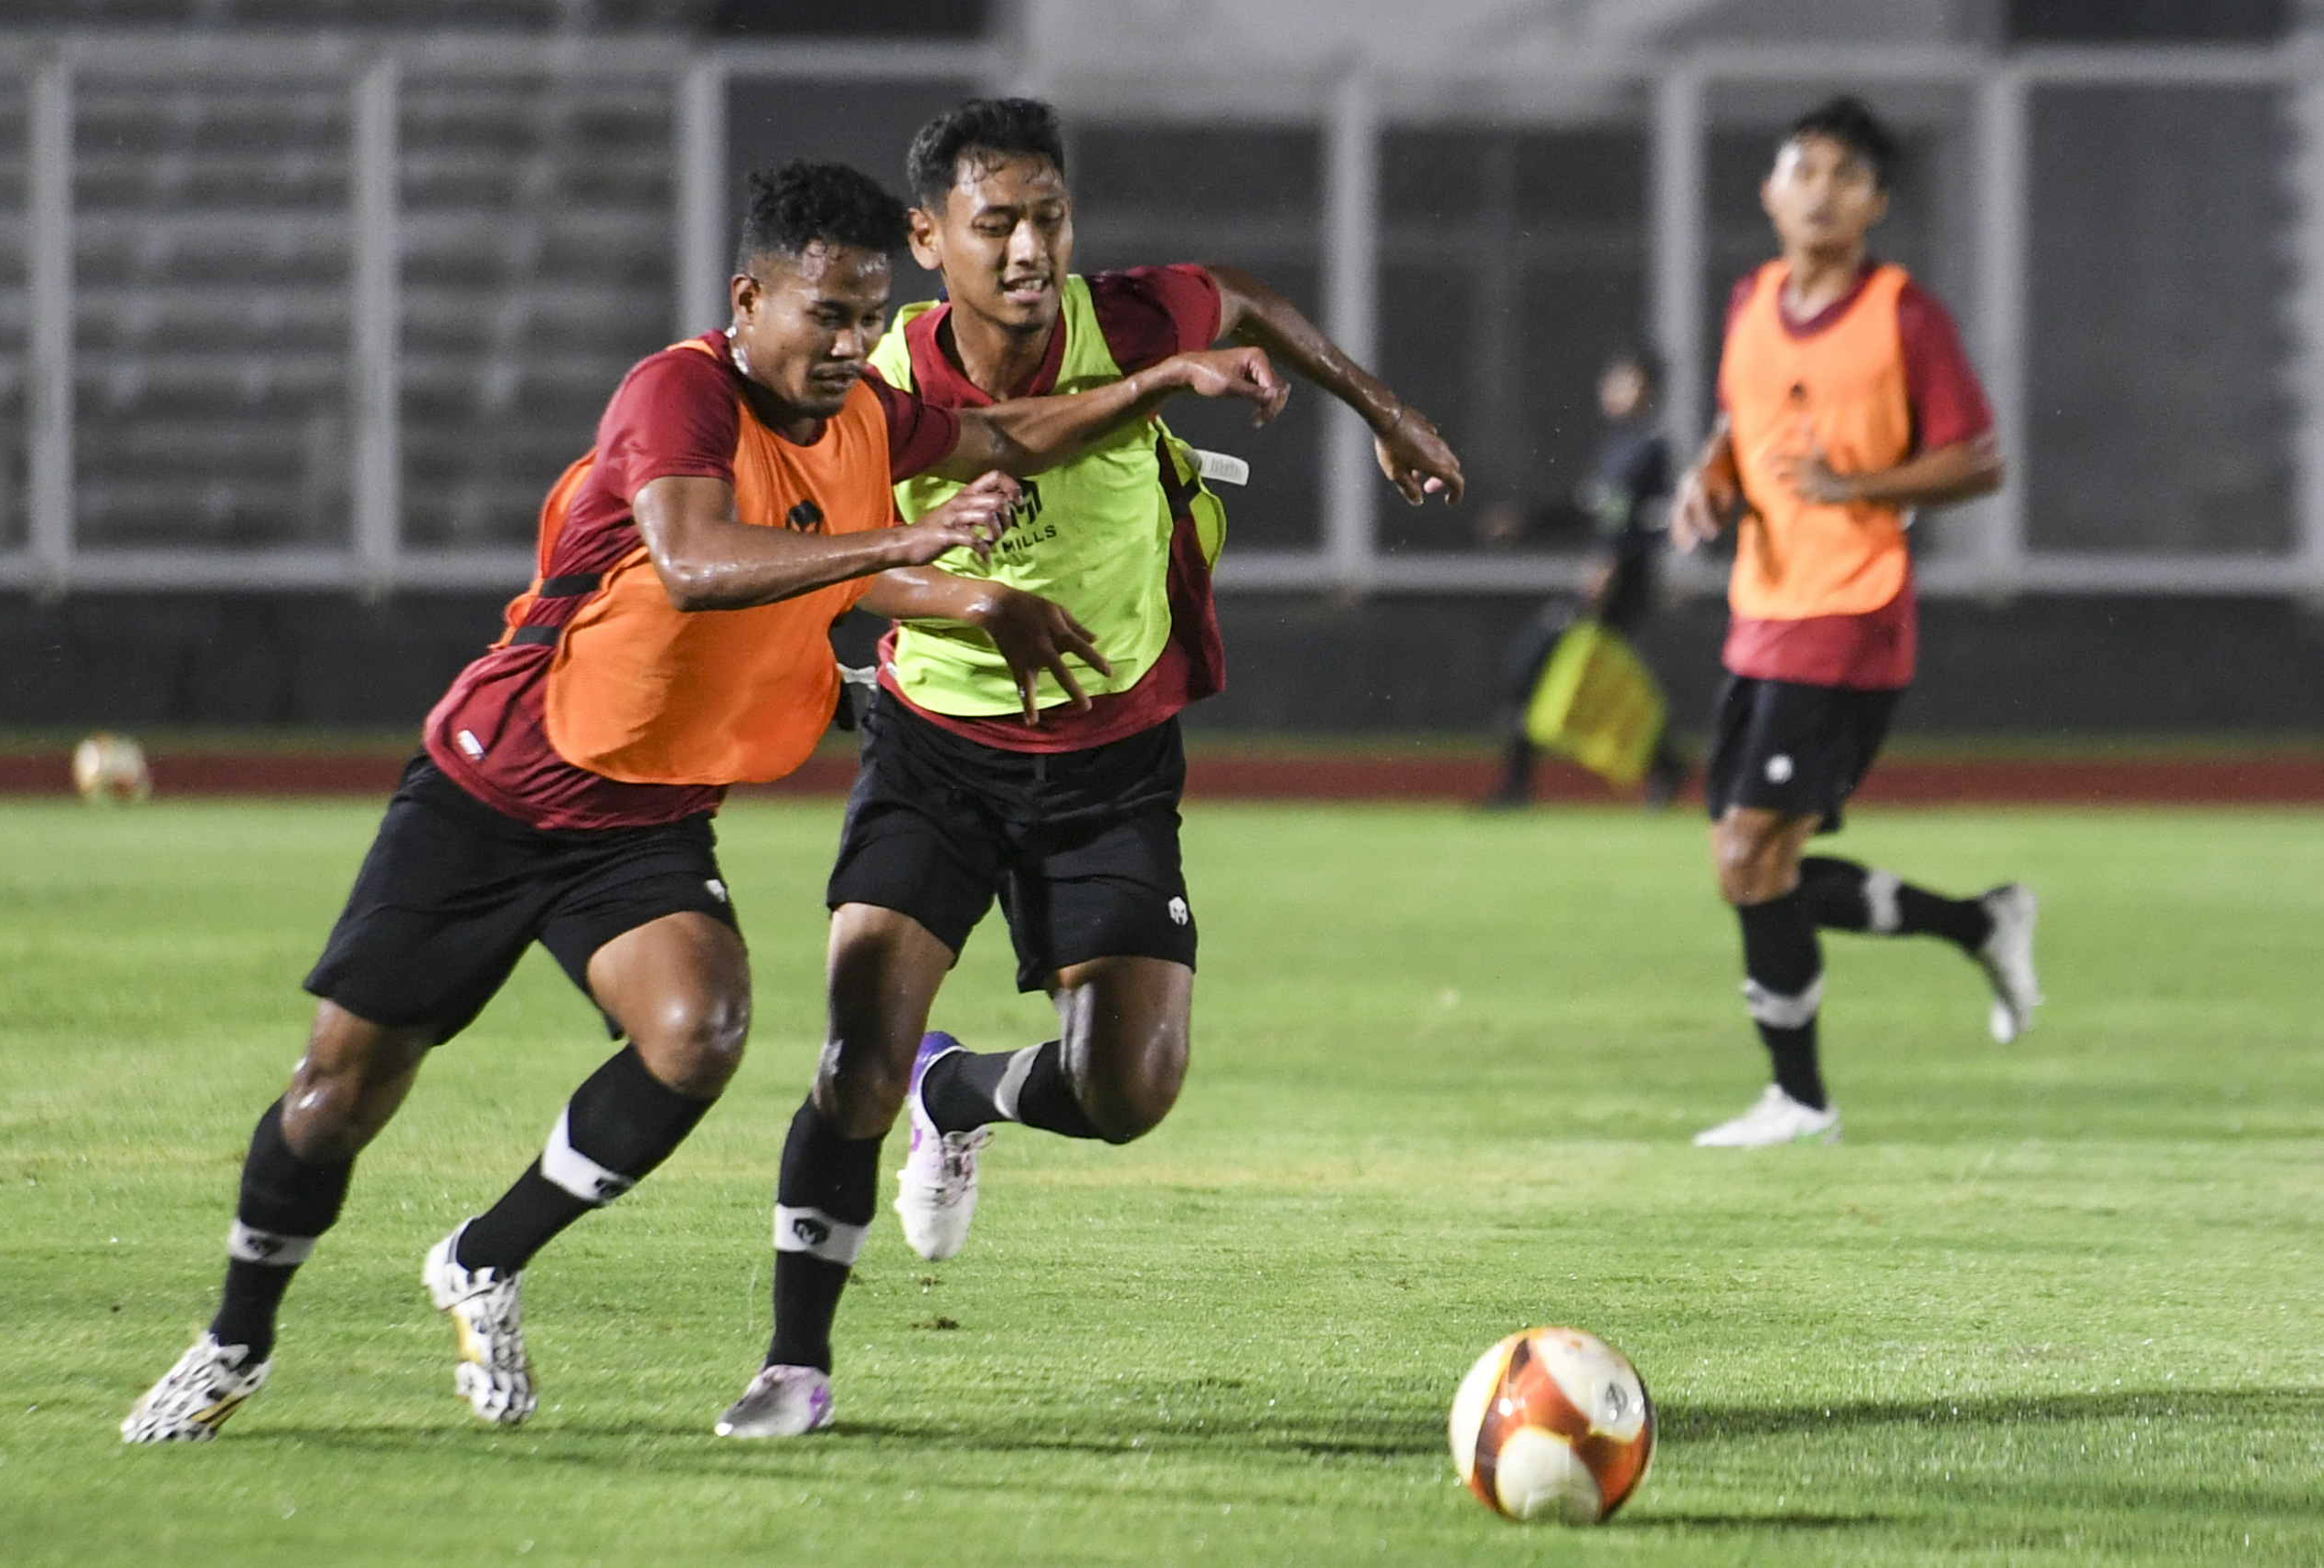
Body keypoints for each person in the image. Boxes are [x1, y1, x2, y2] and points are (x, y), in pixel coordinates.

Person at [120, 159, 1284, 1443]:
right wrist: (909, 545)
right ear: (749, 299)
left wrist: (1163, 383)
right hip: (495, 788)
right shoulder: (679, 390)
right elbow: (694, 560)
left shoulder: (865, 416)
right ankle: (235, 1340)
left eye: (863, 315)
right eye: (821, 313)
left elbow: (1008, 437)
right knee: (341, 1089)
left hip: (647, 818)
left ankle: (485, 1255)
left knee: (701, 1029)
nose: (848, 343)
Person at [715, 97, 1463, 1437]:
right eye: (993, 222)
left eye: (1047, 217)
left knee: (1130, 1087)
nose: (1026, 249)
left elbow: (1248, 300)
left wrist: (1385, 413)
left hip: (1113, 754)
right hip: (935, 746)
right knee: (850, 1058)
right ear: (926, 234)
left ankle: (963, 1093)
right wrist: (963, 605)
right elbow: (843, 566)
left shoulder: (1127, 319)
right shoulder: (869, 377)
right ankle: (792, 1359)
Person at [1668, 96, 2041, 1149]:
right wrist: (1708, 477)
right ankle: (1980, 922)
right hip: (1762, 607)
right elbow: (1740, 421)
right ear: (1770, 189)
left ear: (1875, 201)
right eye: (1805, 169)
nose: (1821, 190)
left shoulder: (1901, 313)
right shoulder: (1750, 299)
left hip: (1851, 608)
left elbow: (1978, 457)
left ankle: (1802, 1101)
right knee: (1750, 865)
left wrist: (1856, 482)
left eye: (1845, 175)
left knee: (1750, 854)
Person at [1481, 346, 1687, 807]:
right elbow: (1593, 507)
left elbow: (1635, 522)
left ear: (1647, 389)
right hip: (1599, 585)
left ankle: (1518, 786)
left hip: (1615, 592)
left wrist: (1609, 565)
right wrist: (1528, 521)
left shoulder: (1650, 449)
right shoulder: (1618, 446)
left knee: (1534, 669)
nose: (1612, 388)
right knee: (1575, 680)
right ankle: (1666, 765)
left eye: (1625, 379)